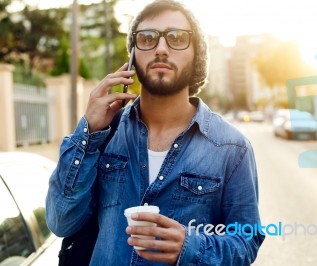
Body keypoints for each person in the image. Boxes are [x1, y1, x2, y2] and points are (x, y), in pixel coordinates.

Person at [46, 0, 264, 265]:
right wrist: (88, 133)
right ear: (132, 56)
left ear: (197, 54)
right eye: (147, 38)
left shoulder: (233, 148)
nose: (161, 48)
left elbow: (246, 241)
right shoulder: (103, 134)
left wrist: (190, 246)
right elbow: (61, 222)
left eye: (177, 38)